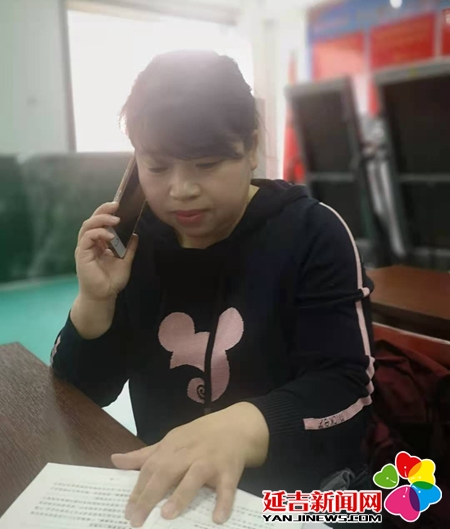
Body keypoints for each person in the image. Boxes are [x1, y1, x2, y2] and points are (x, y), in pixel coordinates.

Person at [51, 50, 375, 528]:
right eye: (156, 167)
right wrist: (95, 302)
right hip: (179, 502)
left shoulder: (313, 233)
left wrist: (244, 427)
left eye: (205, 164)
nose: (181, 189)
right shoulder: (137, 245)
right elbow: (82, 396)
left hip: (294, 498)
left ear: (251, 147)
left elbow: (346, 391)